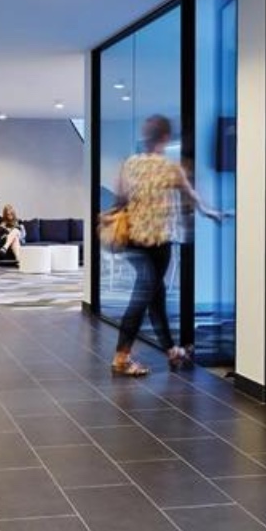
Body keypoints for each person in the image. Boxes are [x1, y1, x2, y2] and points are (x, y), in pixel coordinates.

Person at [111, 114, 223, 377]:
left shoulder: (130, 164)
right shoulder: (170, 168)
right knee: (143, 296)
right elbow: (194, 199)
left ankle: (172, 350)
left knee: (155, 294)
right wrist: (213, 213)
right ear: (164, 137)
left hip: (133, 241)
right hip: (159, 242)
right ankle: (121, 357)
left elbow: (120, 199)